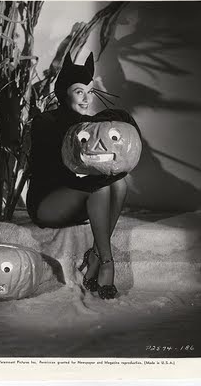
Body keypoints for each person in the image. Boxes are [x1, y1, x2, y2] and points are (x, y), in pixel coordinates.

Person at [26, 51, 141, 300]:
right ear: (63, 91)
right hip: (48, 200)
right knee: (99, 188)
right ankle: (106, 263)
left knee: (119, 184)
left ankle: (95, 256)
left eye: (90, 92)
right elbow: (49, 170)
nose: (87, 98)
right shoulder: (45, 122)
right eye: (80, 91)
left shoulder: (88, 125)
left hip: (79, 197)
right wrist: (92, 179)